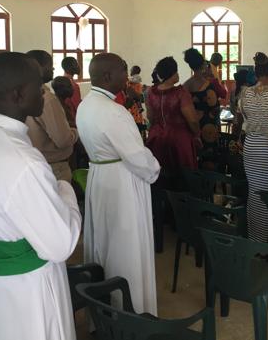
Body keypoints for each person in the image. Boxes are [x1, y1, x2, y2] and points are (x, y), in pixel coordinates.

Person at [0, 52, 81, 340]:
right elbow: (61, 244)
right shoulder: (24, 159)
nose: (44, 92)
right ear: (18, 94)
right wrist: (65, 190)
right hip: (27, 289)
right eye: (38, 85)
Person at [79, 53, 161, 315]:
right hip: (121, 182)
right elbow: (136, 156)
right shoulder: (114, 112)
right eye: (123, 71)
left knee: (104, 242)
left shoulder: (86, 104)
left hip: (99, 177)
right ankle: (129, 311)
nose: (126, 77)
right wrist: (154, 169)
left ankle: (103, 311)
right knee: (125, 246)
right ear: (107, 76)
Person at [239, 61, 268, 242]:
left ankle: (255, 238)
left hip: (251, 146)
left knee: (254, 191)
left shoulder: (244, 93)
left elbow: (242, 118)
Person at [145, 56, 199, 190]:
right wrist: (196, 134)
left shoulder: (150, 92)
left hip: (156, 138)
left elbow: (150, 117)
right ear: (172, 73)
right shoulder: (181, 93)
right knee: (182, 179)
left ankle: (161, 201)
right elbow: (192, 120)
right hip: (179, 140)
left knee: (160, 178)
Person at [25, 50, 79, 183]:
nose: (53, 68)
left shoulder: (24, 94)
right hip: (54, 168)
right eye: (50, 65)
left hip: (35, 163)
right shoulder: (47, 99)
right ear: (38, 67)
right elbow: (63, 140)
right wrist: (75, 132)